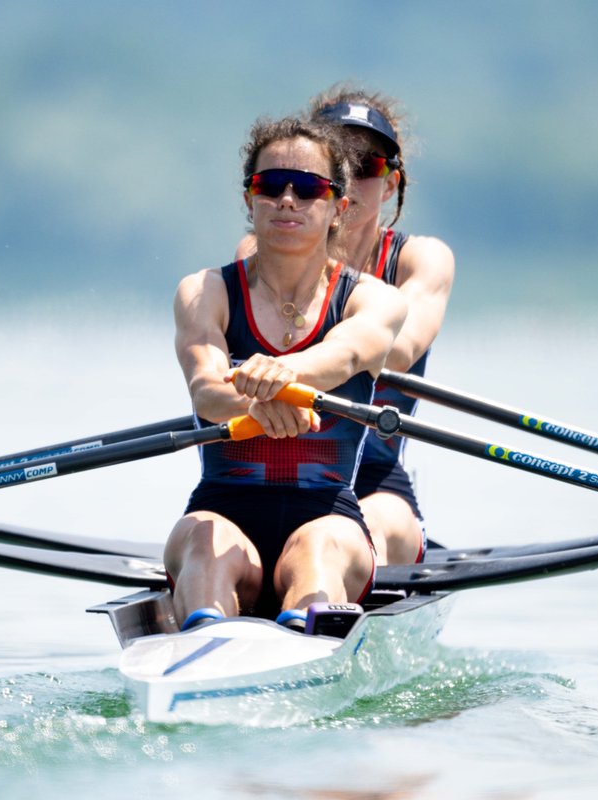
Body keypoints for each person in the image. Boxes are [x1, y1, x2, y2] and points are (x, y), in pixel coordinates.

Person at [164, 115, 407, 631]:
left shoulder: (374, 299)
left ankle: (303, 633)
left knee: (317, 551)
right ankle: (206, 637)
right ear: (250, 199)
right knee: (200, 541)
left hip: (329, 513)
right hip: (223, 507)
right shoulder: (205, 291)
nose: (287, 200)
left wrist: (278, 376)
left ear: (340, 206)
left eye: (309, 188)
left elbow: (341, 357)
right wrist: (263, 401)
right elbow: (208, 391)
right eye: (270, 185)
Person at [237, 86, 455, 567]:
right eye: (338, 161)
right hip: (268, 477)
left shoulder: (420, 259)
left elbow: (398, 352)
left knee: (363, 525)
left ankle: (332, 575)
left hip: (374, 480)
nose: (353, 179)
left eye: (369, 165)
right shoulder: (257, 254)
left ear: (392, 183)